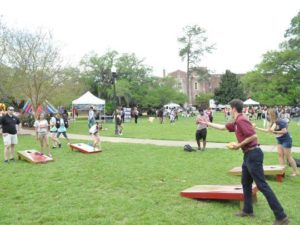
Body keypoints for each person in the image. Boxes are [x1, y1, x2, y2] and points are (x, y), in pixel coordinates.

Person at [198, 99, 289, 225]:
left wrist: (238, 145)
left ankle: (281, 216)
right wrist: (206, 122)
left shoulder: (241, 120)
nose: (228, 110)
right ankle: (247, 210)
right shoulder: (236, 121)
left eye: (229, 108)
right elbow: (222, 128)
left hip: (253, 154)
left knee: (262, 185)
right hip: (248, 155)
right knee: (245, 183)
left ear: (234, 108)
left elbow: (253, 136)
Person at [256, 108, 298, 177]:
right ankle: (282, 172)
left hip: (286, 140)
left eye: (269, 114)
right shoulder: (272, 122)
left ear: (273, 114)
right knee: (280, 155)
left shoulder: (280, 121)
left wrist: (274, 131)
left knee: (288, 157)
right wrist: (256, 128)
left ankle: (295, 171)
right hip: (280, 140)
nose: (268, 115)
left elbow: (285, 131)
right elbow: (267, 130)